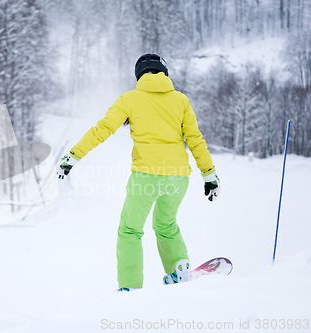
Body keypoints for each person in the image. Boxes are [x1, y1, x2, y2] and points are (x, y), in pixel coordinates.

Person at [56, 54, 221, 292]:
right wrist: (209, 176)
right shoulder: (181, 100)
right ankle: (179, 270)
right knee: (167, 225)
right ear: (165, 73)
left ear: (139, 75)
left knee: (130, 230)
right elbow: (195, 139)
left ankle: (130, 287)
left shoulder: (130, 99)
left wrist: (71, 157)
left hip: (146, 176)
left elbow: (102, 130)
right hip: (178, 177)